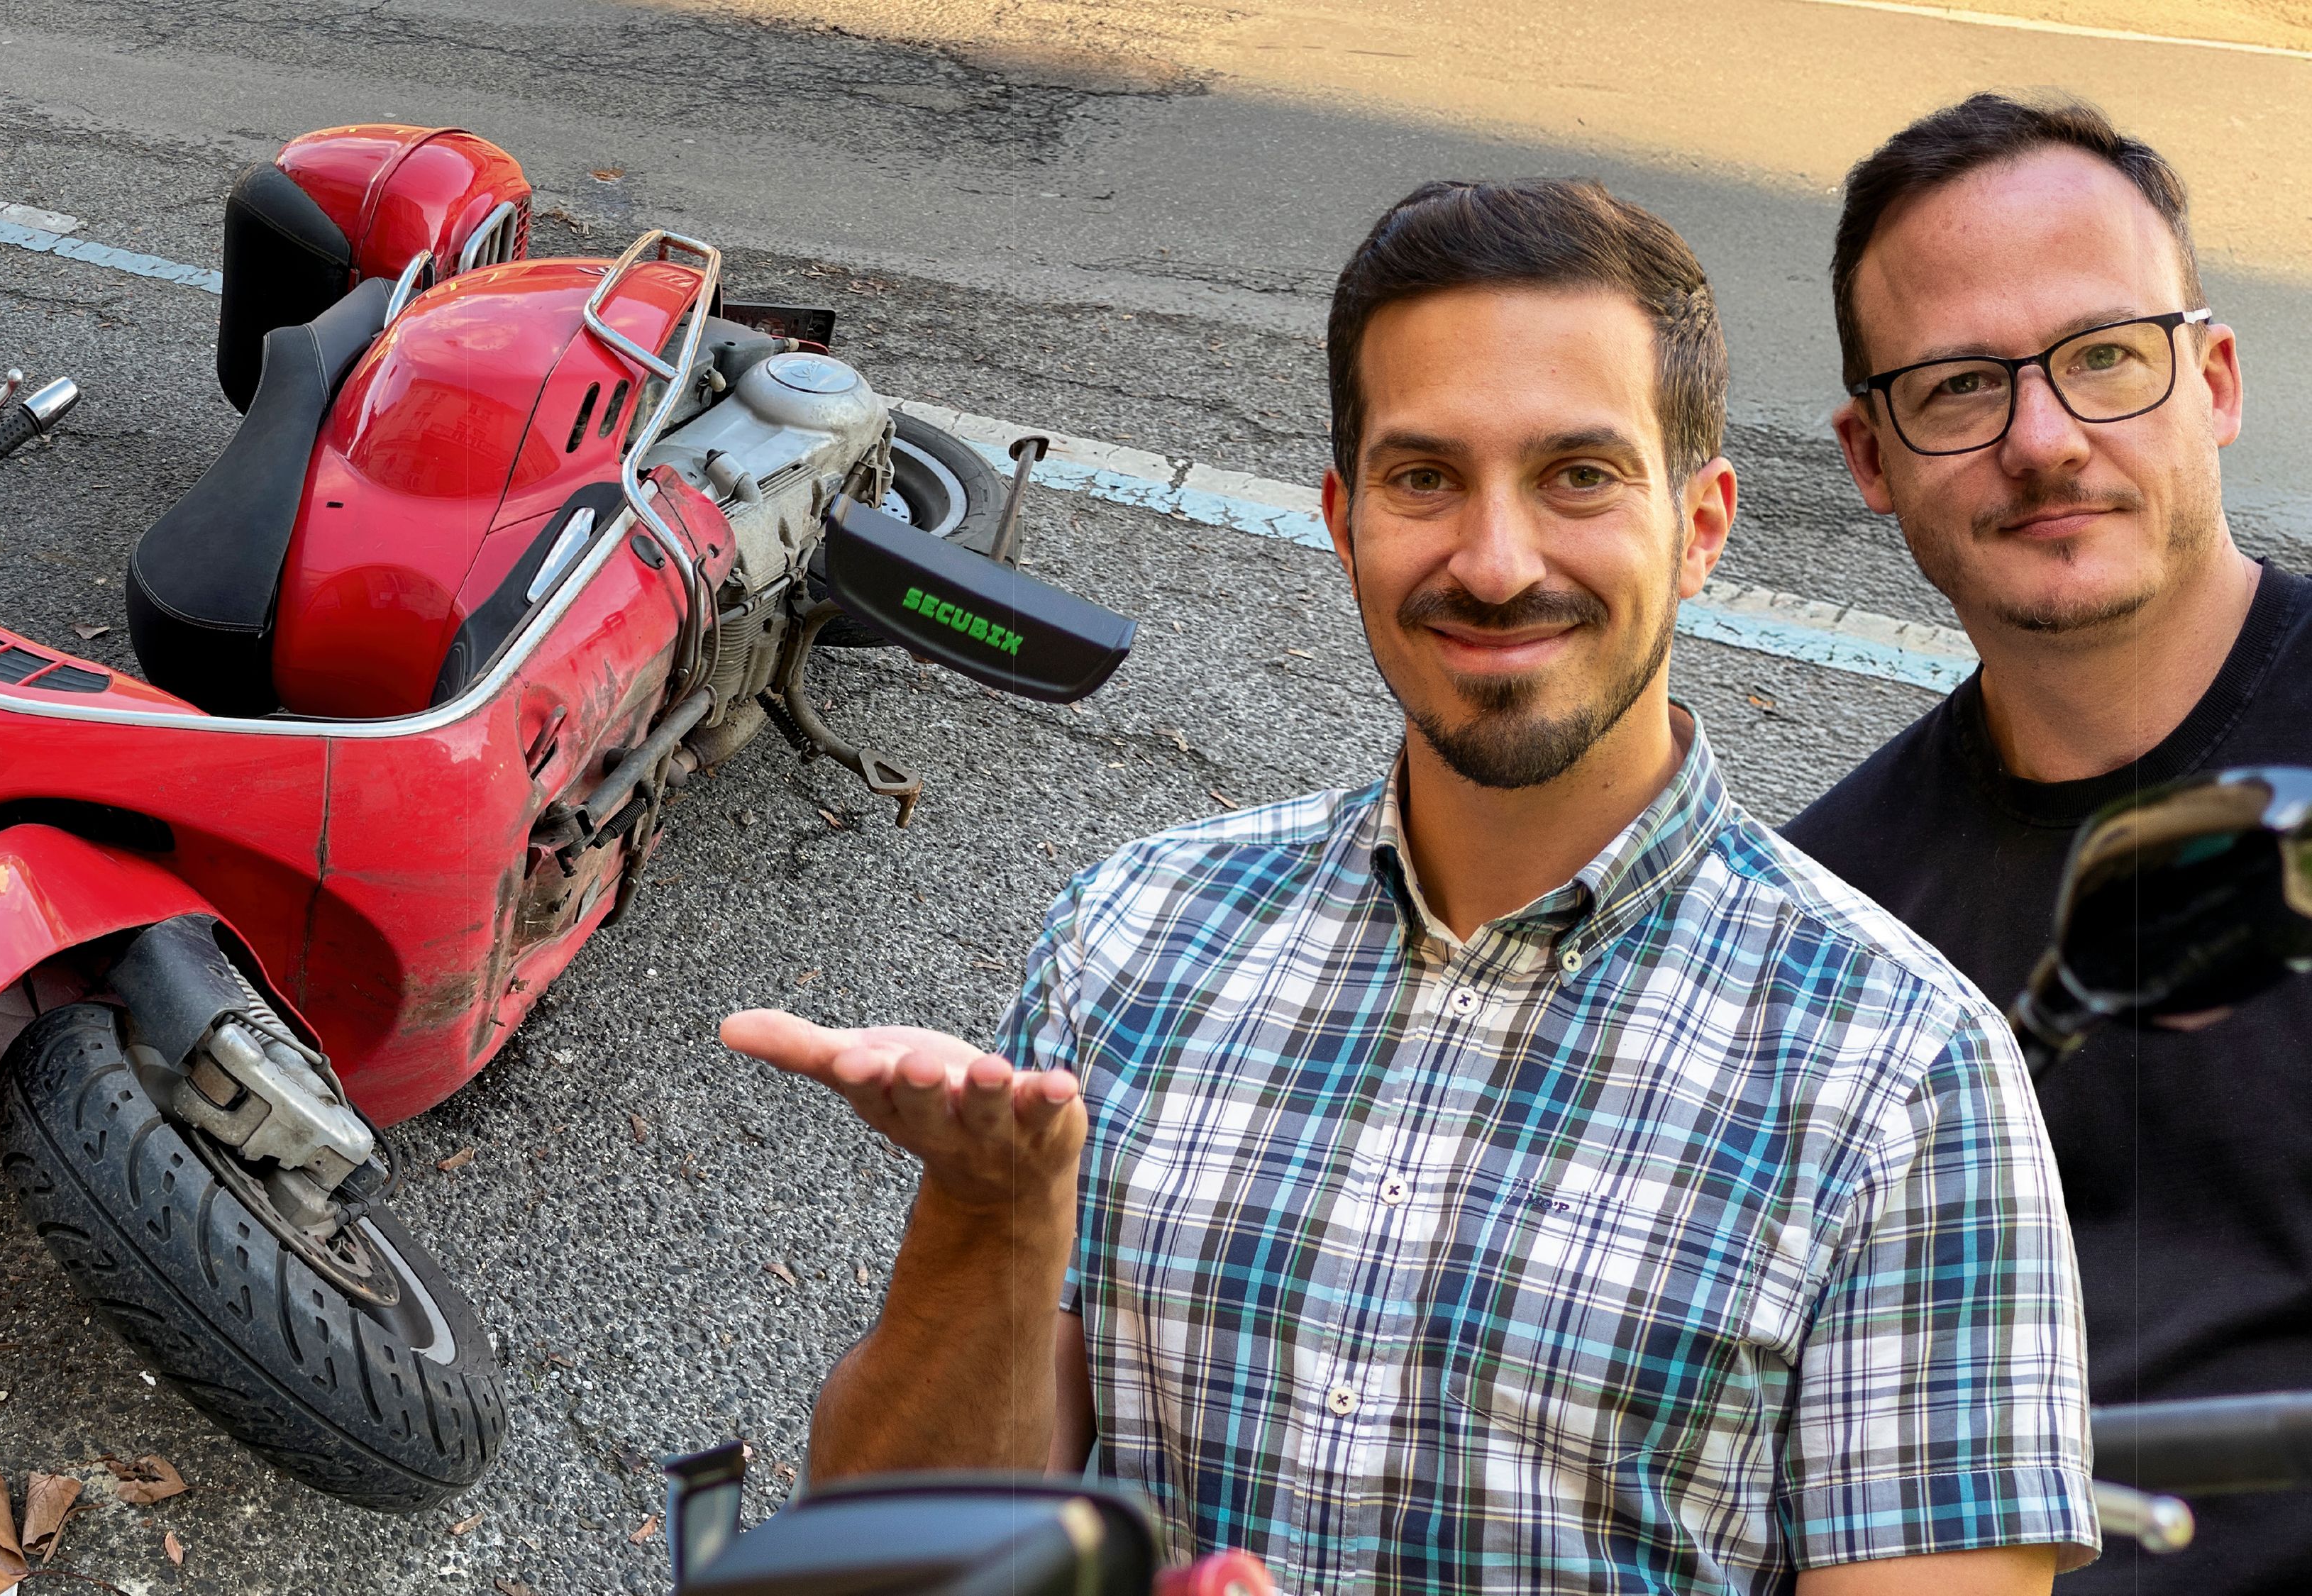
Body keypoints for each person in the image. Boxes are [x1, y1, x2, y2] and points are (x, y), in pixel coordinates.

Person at [727, 178, 2096, 1593]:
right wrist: (986, 1215)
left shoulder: (1906, 1076)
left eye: (1576, 475)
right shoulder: (1135, 935)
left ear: (1699, 526)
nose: (1494, 565)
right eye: (1422, 477)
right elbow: (901, 1552)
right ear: (1342, 519)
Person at [1784, 93, 2312, 1596]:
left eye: (2100, 359)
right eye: (1956, 387)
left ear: (2208, 379)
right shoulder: (1833, 922)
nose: (2038, 439)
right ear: (1869, 457)